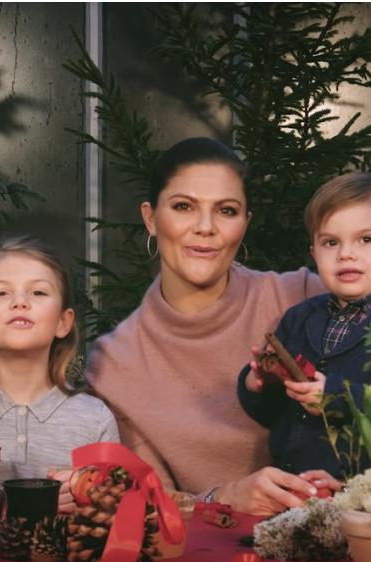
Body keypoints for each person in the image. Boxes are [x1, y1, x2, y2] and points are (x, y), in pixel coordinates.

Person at [84, 136, 343, 516]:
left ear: (245, 223)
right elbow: (150, 511)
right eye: (184, 206)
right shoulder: (115, 364)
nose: (205, 227)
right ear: (150, 218)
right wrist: (224, 497)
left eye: (225, 210)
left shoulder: (307, 295)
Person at [0, 236, 120, 510]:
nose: (19, 302)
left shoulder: (94, 419)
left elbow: (117, 508)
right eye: (0, 293)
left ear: (63, 323)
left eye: (38, 293)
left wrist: (89, 499)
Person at [238, 172, 371, 480]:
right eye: (331, 242)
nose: (345, 253)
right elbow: (271, 414)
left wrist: (336, 397)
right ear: (314, 253)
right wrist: (257, 384)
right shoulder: (299, 318)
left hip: (359, 500)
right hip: (292, 486)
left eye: (366, 239)